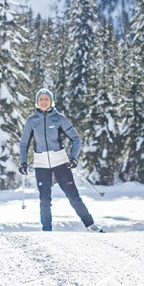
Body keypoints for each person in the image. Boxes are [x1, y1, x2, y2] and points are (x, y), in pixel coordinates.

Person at [18, 88, 104, 232]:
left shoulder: (59, 118)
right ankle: (46, 231)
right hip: (41, 164)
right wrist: (23, 162)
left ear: (51, 101)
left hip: (60, 162)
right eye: (41, 99)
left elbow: (76, 139)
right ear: (37, 102)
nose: (44, 102)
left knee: (73, 196)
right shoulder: (32, 121)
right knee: (44, 200)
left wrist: (73, 158)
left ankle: (90, 225)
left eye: (46, 99)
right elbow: (23, 144)